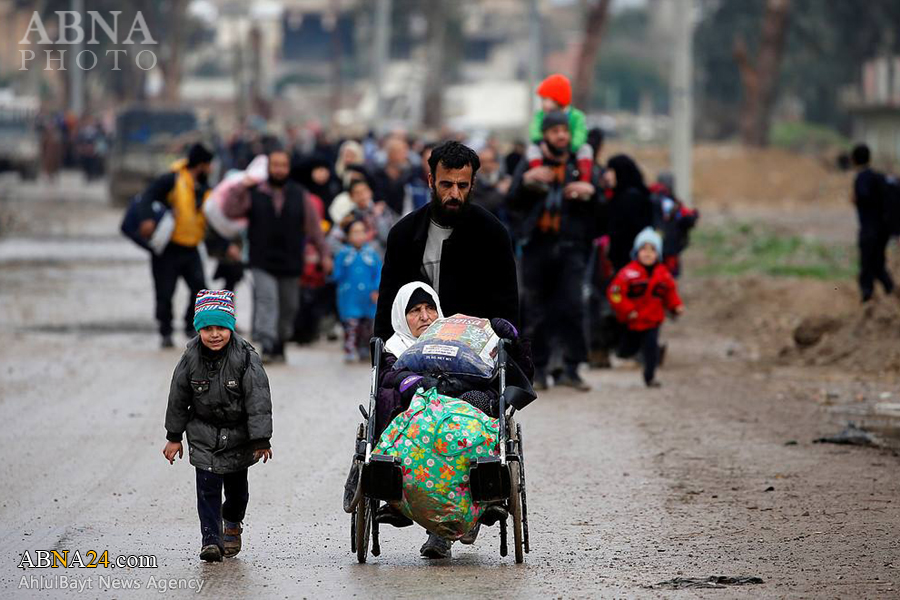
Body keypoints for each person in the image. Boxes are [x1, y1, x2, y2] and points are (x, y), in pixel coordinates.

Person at [162, 290, 273, 562]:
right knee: (207, 490)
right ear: (198, 330)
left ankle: (232, 522)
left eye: (221, 328)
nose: (215, 335)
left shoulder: (245, 357)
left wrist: (261, 440)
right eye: (207, 329)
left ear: (231, 328)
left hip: (238, 435)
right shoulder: (190, 358)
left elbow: (258, 399)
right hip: (203, 432)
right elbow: (178, 399)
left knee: (237, 493)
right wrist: (174, 436)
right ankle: (211, 540)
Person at [373, 140, 520, 343]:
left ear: (473, 184)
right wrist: (383, 355)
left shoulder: (492, 233)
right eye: (446, 184)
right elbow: (388, 303)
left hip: (474, 348)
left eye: (462, 186)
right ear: (431, 181)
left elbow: (507, 307)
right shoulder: (404, 233)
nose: (454, 194)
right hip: (414, 349)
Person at [507, 111, 604, 391]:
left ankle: (572, 369)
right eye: (555, 131)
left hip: (572, 247)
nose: (561, 135)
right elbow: (511, 201)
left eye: (565, 130)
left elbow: (600, 207)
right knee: (535, 310)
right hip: (537, 246)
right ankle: (537, 370)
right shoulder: (531, 162)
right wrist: (527, 182)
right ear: (545, 134)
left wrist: (590, 191)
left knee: (572, 306)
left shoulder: (582, 165)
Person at [222, 149, 333, 362]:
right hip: (261, 259)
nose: (279, 170)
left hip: (291, 260)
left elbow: (314, 228)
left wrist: (324, 254)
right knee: (267, 299)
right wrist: (242, 186)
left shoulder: (300, 195)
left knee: (289, 305)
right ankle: (267, 343)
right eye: (275, 165)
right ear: (268, 168)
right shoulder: (254, 193)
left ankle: (280, 341)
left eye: (283, 165)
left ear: (288, 168)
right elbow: (230, 210)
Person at [137, 143, 215, 348]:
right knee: (165, 293)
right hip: (167, 249)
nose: (212, 169)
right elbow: (146, 197)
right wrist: (147, 219)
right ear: (201, 165)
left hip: (191, 248)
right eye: (209, 165)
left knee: (200, 289)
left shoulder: (204, 187)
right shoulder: (171, 180)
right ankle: (166, 332)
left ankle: (190, 325)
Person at [607, 228, 684, 387]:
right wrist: (627, 310)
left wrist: (676, 306)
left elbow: (670, 293)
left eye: (652, 250)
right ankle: (621, 355)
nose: (648, 254)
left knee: (651, 348)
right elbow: (615, 293)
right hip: (632, 320)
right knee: (628, 347)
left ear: (658, 254)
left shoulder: (663, 274)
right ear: (636, 252)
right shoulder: (627, 273)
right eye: (644, 249)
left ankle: (650, 376)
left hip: (652, 319)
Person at [526, 73, 593, 184]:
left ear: (557, 99)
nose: (542, 104)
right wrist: (541, 142)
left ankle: (584, 180)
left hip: (570, 149)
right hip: (547, 148)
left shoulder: (576, 116)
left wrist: (571, 148)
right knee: (532, 149)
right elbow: (534, 130)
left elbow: (580, 133)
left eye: (545, 99)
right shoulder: (541, 115)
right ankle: (538, 175)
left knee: (586, 149)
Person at [333, 219, 382, 362]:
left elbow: (378, 273)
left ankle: (363, 348)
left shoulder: (371, 254)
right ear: (348, 236)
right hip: (350, 297)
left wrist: (376, 289)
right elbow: (337, 275)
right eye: (355, 232)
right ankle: (349, 348)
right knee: (351, 325)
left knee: (367, 326)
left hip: (368, 297)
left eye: (361, 232)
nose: (359, 236)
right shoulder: (343, 254)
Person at [851, 144, 895, 302]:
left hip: (869, 229)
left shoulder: (862, 178)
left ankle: (867, 300)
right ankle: (891, 292)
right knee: (878, 265)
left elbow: (864, 196)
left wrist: (857, 200)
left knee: (867, 267)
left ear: (854, 159)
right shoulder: (880, 177)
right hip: (883, 230)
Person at [606, 154, 656, 272]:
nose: (607, 176)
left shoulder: (630, 198)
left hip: (629, 261)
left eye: (611, 171)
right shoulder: (625, 195)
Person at [650, 172, 699, 278]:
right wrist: (692, 216)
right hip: (669, 246)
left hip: (657, 244)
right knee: (667, 277)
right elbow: (683, 217)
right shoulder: (667, 200)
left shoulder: (651, 196)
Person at [372, 136, 413, 216]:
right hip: (384, 216)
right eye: (400, 152)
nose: (404, 155)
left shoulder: (410, 173)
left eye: (404, 152)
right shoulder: (378, 174)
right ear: (390, 154)